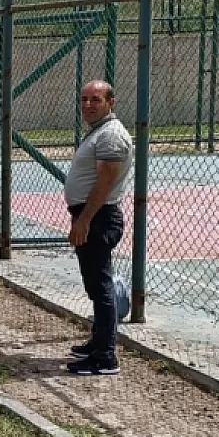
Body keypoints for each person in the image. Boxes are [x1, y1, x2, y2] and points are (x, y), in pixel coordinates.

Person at [64, 80, 133, 375]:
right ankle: (98, 343)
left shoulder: (111, 136)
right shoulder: (99, 132)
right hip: (91, 216)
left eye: (96, 99)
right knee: (95, 285)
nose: (88, 105)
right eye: (84, 99)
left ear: (111, 102)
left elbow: (104, 184)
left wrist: (84, 220)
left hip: (98, 217)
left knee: (101, 286)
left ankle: (105, 357)